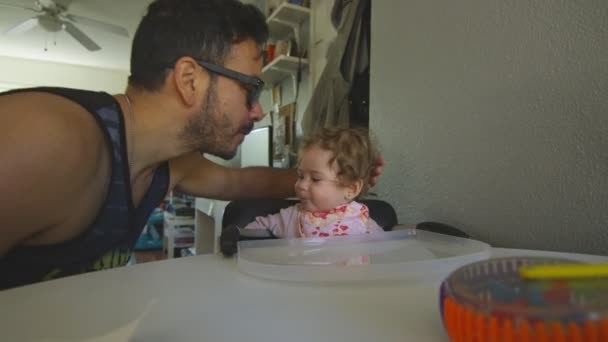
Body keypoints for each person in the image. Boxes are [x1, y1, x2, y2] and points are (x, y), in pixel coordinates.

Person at [0, 0, 384, 289]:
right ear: (189, 79)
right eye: (250, 89)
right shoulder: (45, 138)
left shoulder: (170, 162)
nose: (257, 112)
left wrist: (335, 181)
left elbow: (240, 183)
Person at [243, 128, 383, 239]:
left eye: (315, 179)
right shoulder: (292, 217)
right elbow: (250, 232)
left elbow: (385, 251)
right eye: (300, 176)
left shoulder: (362, 221)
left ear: (351, 189)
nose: (301, 185)